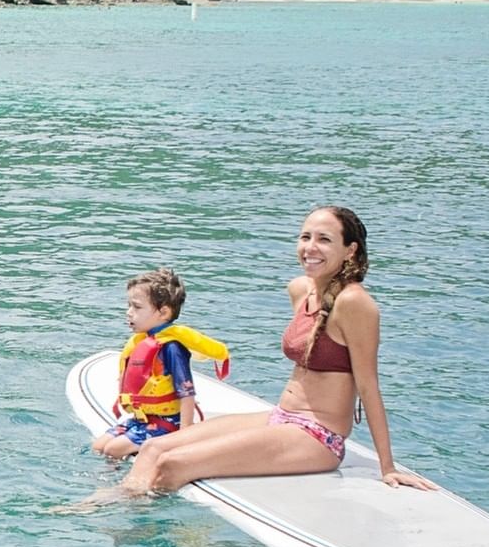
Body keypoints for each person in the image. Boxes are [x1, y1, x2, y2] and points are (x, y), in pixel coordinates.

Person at [120, 206, 436, 495]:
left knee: (173, 464)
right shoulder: (300, 290)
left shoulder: (354, 303)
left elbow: (368, 385)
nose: (310, 247)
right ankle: (118, 505)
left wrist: (387, 467)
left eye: (324, 239)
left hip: (317, 436)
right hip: (280, 417)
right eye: (305, 237)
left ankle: (140, 524)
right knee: (154, 449)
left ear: (350, 250)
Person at [92, 268, 231, 460]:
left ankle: (123, 477)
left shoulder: (171, 348)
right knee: (99, 446)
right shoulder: (143, 341)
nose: (129, 312)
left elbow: (187, 393)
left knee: (113, 449)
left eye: (137, 307)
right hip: (143, 419)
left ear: (163, 312)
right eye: (129, 305)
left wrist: (184, 436)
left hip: (168, 423)